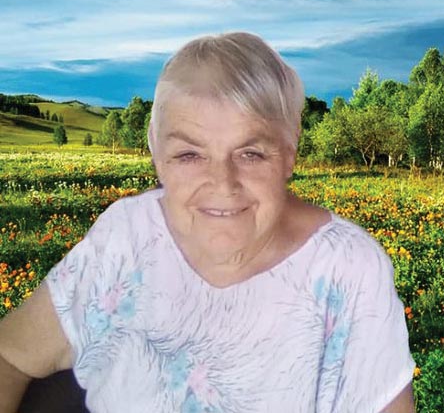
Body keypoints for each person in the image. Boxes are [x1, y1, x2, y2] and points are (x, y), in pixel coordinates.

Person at [0, 32, 415, 413]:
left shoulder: (347, 269)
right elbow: (10, 357)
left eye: (251, 153)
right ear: (157, 156)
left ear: (289, 153)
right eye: (189, 155)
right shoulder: (127, 238)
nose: (222, 183)